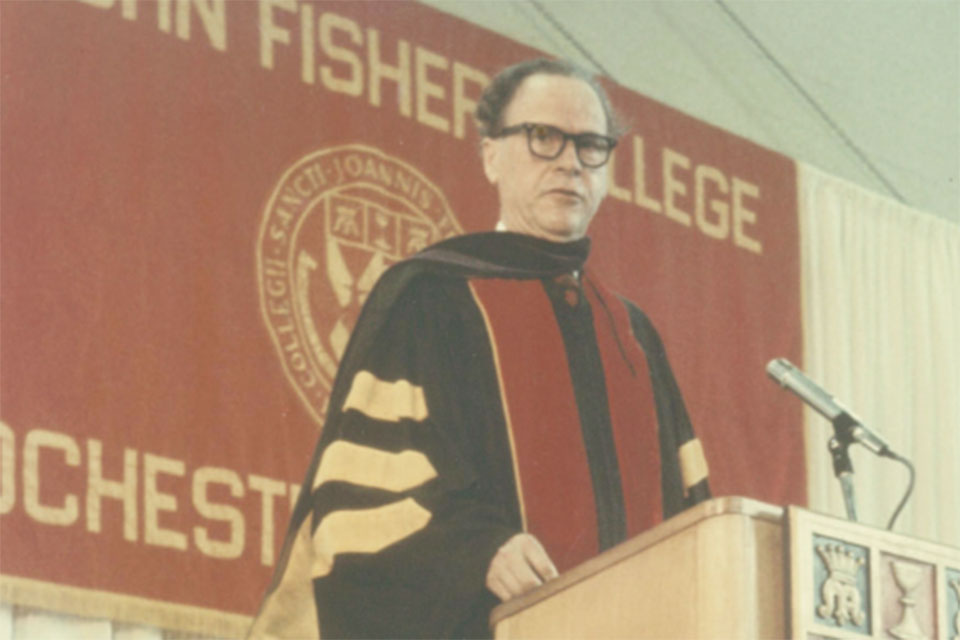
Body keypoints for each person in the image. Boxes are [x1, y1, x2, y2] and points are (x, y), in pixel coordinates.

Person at [248, 58, 710, 640]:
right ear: (491, 155)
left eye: (592, 144)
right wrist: (478, 551)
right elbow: (361, 503)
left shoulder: (634, 338)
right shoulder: (432, 301)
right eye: (544, 137)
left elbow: (692, 517)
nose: (570, 161)